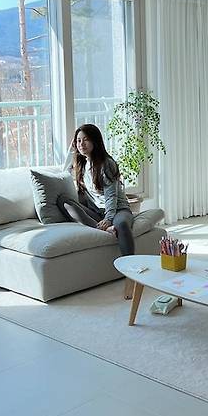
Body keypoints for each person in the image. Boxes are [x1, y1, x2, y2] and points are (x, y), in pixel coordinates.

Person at [58, 123, 135, 298]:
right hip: (96, 213)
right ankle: (103, 228)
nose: (81, 144)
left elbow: (111, 196)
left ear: (95, 141)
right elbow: (63, 173)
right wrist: (71, 151)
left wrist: (109, 218)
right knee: (65, 202)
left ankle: (131, 276)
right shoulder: (81, 164)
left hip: (118, 209)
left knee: (122, 225)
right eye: (78, 141)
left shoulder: (107, 163)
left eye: (86, 140)